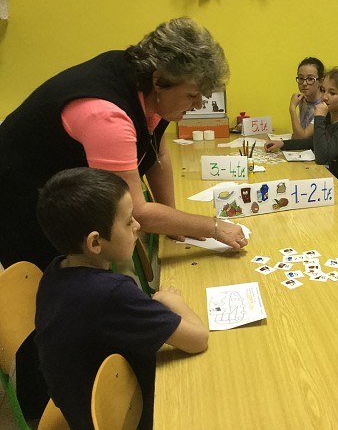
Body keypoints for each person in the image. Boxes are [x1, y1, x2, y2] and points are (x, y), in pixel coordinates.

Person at [0, 16, 247, 272]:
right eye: (192, 95)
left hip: (61, 188)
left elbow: (157, 154)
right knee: (50, 280)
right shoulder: (108, 117)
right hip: (20, 196)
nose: (198, 105)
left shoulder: (151, 87)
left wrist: (174, 220)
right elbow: (137, 212)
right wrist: (213, 227)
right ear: (159, 81)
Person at [35, 167, 209, 429]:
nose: (138, 226)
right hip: (120, 412)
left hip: (80, 403)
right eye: (128, 222)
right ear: (95, 243)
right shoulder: (112, 293)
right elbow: (197, 339)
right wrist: (174, 302)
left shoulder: (56, 270)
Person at [266, 67, 338, 205]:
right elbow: (314, 142)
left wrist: (319, 118)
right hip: (335, 181)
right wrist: (283, 144)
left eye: (332, 93)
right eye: (323, 90)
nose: (324, 97)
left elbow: (322, 157)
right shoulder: (330, 116)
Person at [289, 57, 324, 139]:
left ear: (321, 81)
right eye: (301, 78)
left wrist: (292, 108)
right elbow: (298, 133)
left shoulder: (323, 106)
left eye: (310, 79)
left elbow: (302, 138)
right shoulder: (302, 100)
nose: (304, 83)